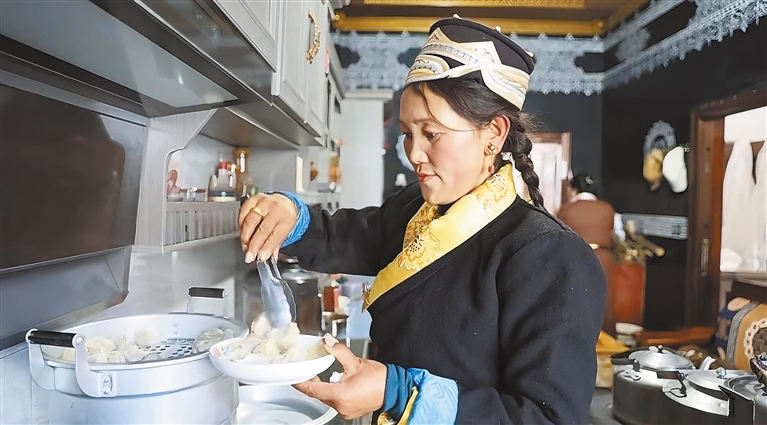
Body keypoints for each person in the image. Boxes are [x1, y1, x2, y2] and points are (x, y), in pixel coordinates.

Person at [239, 17, 606, 424]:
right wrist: (290, 214)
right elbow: (344, 236)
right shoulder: (414, 208)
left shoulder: (549, 256)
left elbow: (548, 417)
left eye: (431, 134)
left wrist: (400, 393)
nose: (413, 153)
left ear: (494, 134)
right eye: (407, 134)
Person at [557, 173, 617, 337]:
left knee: (577, 300)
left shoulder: (566, 210)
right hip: (604, 259)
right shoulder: (607, 209)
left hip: (577, 257)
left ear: (574, 189)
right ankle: (608, 342)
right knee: (605, 302)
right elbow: (615, 234)